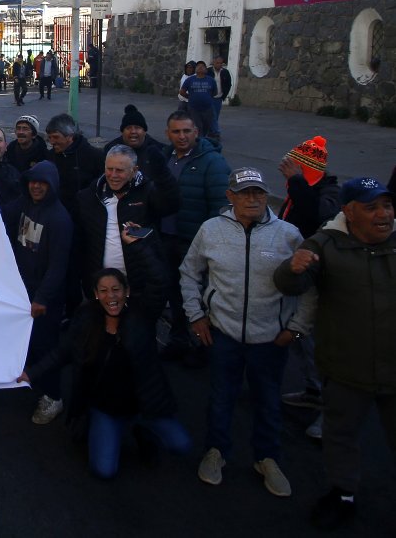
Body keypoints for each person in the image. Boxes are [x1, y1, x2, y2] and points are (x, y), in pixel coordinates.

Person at [274, 177, 396, 530]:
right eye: (371, 207)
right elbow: (290, 284)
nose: (383, 214)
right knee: (340, 436)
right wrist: (292, 267)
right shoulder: (325, 244)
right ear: (349, 211)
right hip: (345, 368)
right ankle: (343, 494)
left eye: (387, 205)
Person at [181, 168, 310, 498]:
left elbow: (309, 287)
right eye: (245, 193)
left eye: (258, 193)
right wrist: (196, 315)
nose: (252, 199)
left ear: (266, 195)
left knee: (268, 401)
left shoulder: (288, 234)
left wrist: (295, 329)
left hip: (270, 338)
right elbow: (188, 272)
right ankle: (216, 451)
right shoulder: (210, 230)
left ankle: (267, 458)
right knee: (221, 396)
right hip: (223, 333)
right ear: (230, 196)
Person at [21, 266, 190, 479]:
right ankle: (98, 425)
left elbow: (159, 279)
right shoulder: (85, 320)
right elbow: (61, 354)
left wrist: (138, 242)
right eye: (103, 291)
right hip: (106, 409)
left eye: (116, 289)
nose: (111, 296)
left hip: (145, 406)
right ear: (95, 294)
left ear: (126, 291)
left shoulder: (142, 316)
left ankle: (143, 430)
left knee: (181, 445)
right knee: (104, 470)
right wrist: (30, 374)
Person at [276, 136, 340, 436]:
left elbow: (315, 215)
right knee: (302, 339)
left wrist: (298, 183)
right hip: (300, 274)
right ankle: (312, 391)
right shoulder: (300, 190)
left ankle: (332, 414)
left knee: (318, 344)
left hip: (320, 280)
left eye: (295, 165)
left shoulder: (329, 194)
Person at [3, 161, 73, 425]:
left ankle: (53, 397)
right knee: (27, 342)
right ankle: (29, 380)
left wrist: (42, 298)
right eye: (32, 181)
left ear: (52, 185)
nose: (36, 186)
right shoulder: (24, 203)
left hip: (45, 297)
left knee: (46, 345)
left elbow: (58, 266)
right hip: (22, 289)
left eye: (42, 182)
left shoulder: (59, 219)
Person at [158, 111, 230, 364]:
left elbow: (221, 207)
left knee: (200, 297)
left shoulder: (213, 163)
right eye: (176, 131)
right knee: (174, 294)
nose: (182, 136)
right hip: (167, 238)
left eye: (187, 131)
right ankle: (179, 340)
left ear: (196, 133)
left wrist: (211, 244)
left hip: (195, 242)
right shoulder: (165, 158)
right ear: (168, 134)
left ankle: (203, 345)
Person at [77, 145, 178, 317]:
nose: (114, 175)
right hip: (101, 288)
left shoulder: (148, 193)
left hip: (138, 287)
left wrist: (162, 172)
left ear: (134, 170)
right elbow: (81, 242)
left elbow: (171, 203)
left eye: (120, 170)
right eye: (109, 169)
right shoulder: (88, 196)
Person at [45, 113, 105, 222]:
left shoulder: (94, 156)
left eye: (56, 137)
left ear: (70, 136)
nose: (52, 142)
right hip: (56, 216)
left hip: (84, 217)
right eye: (49, 137)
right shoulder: (49, 156)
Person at [178, 61, 216, 139]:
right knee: (197, 126)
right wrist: (190, 97)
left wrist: (206, 97)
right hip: (194, 108)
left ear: (206, 69)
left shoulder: (211, 80)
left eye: (203, 66)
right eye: (198, 66)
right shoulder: (190, 80)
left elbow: (214, 92)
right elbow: (182, 91)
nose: (200, 67)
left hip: (207, 108)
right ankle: (198, 142)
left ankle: (203, 138)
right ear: (195, 69)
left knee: (206, 125)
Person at [208, 57, 232, 139]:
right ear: (213, 63)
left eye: (221, 63)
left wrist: (224, 95)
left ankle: (211, 132)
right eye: (217, 63)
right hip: (210, 97)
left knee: (216, 116)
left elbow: (228, 84)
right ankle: (216, 132)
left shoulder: (225, 72)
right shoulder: (208, 72)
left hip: (219, 97)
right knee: (212, 115)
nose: (219, 65)